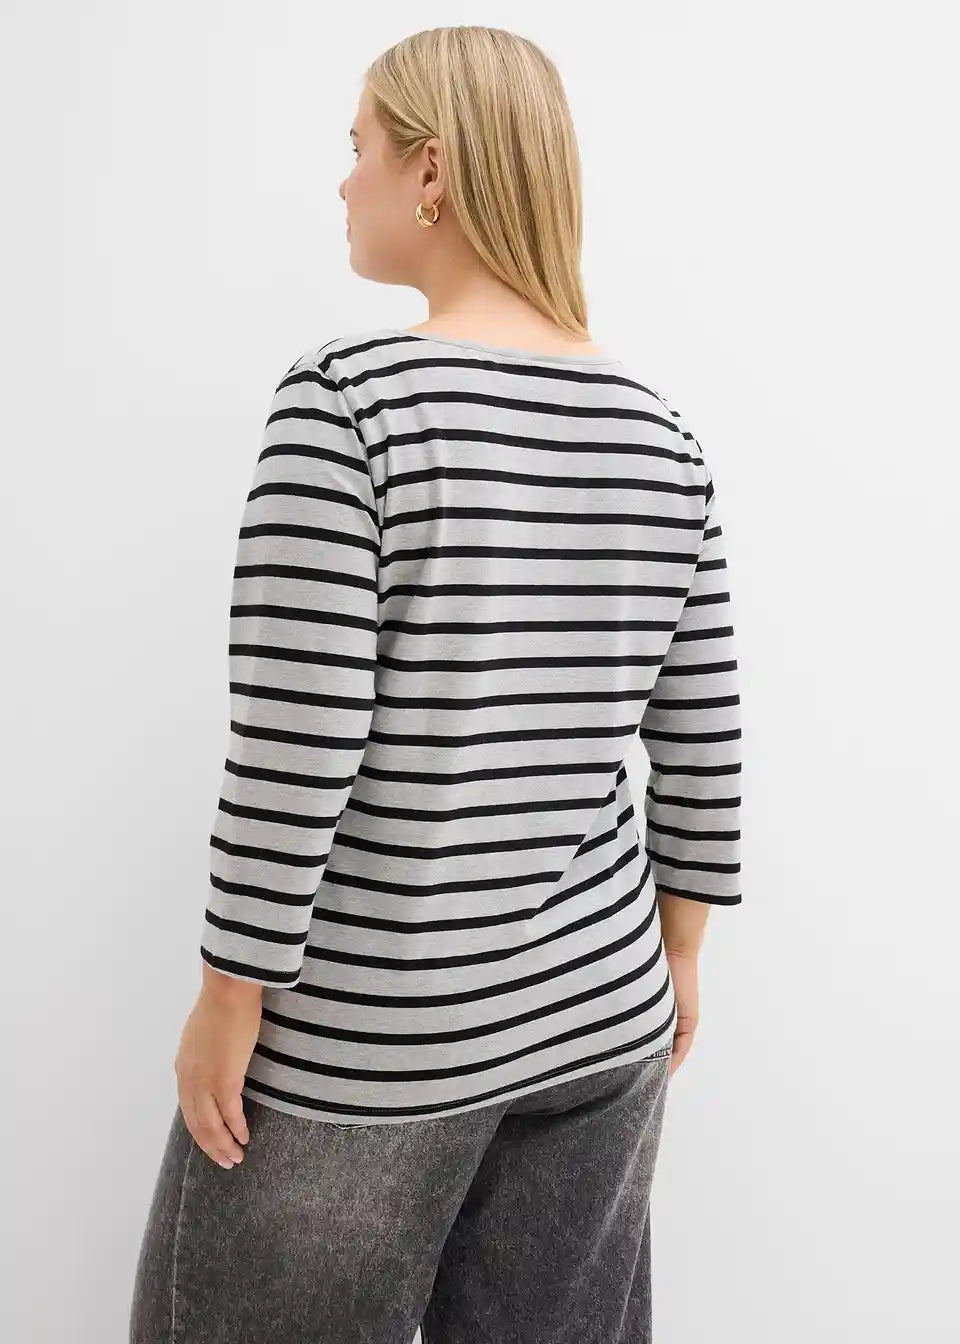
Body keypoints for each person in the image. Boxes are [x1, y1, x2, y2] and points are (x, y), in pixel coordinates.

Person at [129, 24, 741, 1344]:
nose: (343, 178)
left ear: (432, 172)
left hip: (372, 1040)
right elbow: (701, 733)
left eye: (358, 146)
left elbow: (298, 745)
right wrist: (682, 950)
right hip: (603, 1017)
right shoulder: (662, 433)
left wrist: (230, 993)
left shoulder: (350, 404)